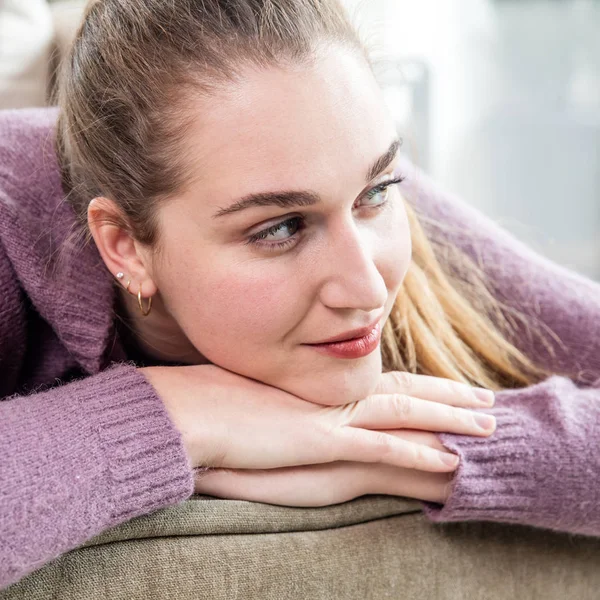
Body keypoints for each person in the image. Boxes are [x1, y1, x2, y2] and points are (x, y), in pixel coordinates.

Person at [1, 0, 599, 591]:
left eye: (378, 193)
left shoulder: (338, 166)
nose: (367, 287)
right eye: (280, 228)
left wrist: (407, 451)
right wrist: (170, 417)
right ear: (125, 245)